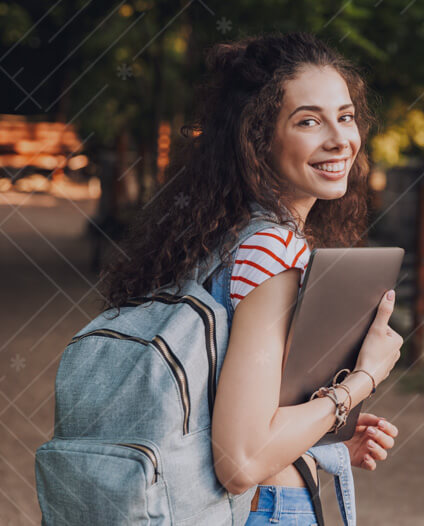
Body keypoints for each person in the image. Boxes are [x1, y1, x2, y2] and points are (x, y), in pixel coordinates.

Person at [100, 31, 402, 526]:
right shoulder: (271, 249)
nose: (340, 139)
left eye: (345, 116)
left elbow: (219, 421)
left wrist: (332, 449)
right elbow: (241, 460)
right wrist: (361, 380)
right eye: (309, 121)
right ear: (258, 136)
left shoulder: (215, 237)